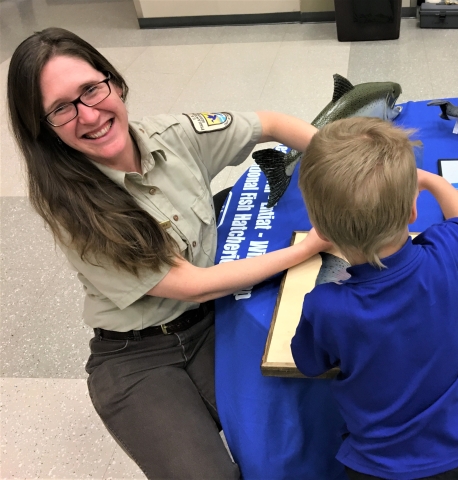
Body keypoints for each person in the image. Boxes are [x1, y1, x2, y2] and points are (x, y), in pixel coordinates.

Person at [7, 27, 328, 479]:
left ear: (114, 82)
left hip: (213, 322)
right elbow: (188, 283)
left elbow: (271, 124)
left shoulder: (176, 136)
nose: (88, 114)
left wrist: (341, 165)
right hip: (136, 357)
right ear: (43, 129)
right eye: (61, 108)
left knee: (303, 429)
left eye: (91, 90)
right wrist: (311, 245)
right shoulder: (70, 207)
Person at [291, 117, 458, 479]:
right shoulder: (446, 254)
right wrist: (434, 181)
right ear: (412, 211)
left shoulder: (326, 306)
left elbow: (310, 364)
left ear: (322, 230)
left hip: (380, 467)